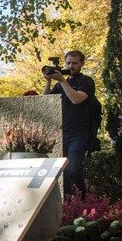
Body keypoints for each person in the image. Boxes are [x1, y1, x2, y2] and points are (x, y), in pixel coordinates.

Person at [43, 50, 96, 197]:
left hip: (79, 133)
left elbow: (76, 99)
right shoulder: (61, 84)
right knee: (62, 173)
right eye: (68, 63)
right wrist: (48, 80)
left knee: (73, 169)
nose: (70, 66)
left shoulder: (86, 82)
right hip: (61, 132)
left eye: (74, 63)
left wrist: (62, 80)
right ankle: (68, 205)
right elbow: (45, 102)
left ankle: (84, 201)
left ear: (82, 64)